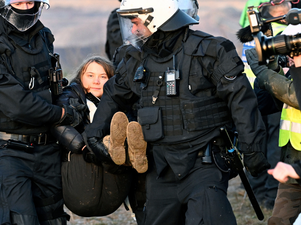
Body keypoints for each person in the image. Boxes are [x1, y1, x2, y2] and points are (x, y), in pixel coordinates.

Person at [84, 0, 270, 224]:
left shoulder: (210, 51)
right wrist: (94, 134)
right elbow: (114, 94)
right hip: (159, 167)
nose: (132, 30)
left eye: (135, 23)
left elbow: (242, 102)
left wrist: (252, 150)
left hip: (205, 163)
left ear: (158, 18)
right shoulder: (135, 59)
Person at [0, 0, 82, 224]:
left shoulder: (44, 37)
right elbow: (17, 105)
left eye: (30, 1)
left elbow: (53, 85)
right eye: (19, 2)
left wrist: (69, 100)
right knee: (21, 220)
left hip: (47, 148)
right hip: (8, 151)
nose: (25, 7)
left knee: (54, 219)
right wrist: (61, 114)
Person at [51, 55, 142, 219]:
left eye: (103, 77)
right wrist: (84, 146)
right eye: (90, 76)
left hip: (113, 173)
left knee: (124, 127)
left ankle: (132, 153)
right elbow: (59, 125)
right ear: (81, 77)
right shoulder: (69, 96)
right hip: (81, 165)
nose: (96, 81)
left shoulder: (121, 101)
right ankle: (114, 147)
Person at [245, 24, 301, 225]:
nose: (289, 59)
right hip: (292, 163)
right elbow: (266, 104)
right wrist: (269, 68)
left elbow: (294, 95)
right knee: (278, 220)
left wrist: (262, 72)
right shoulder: (293, 73)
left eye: (291, 53)